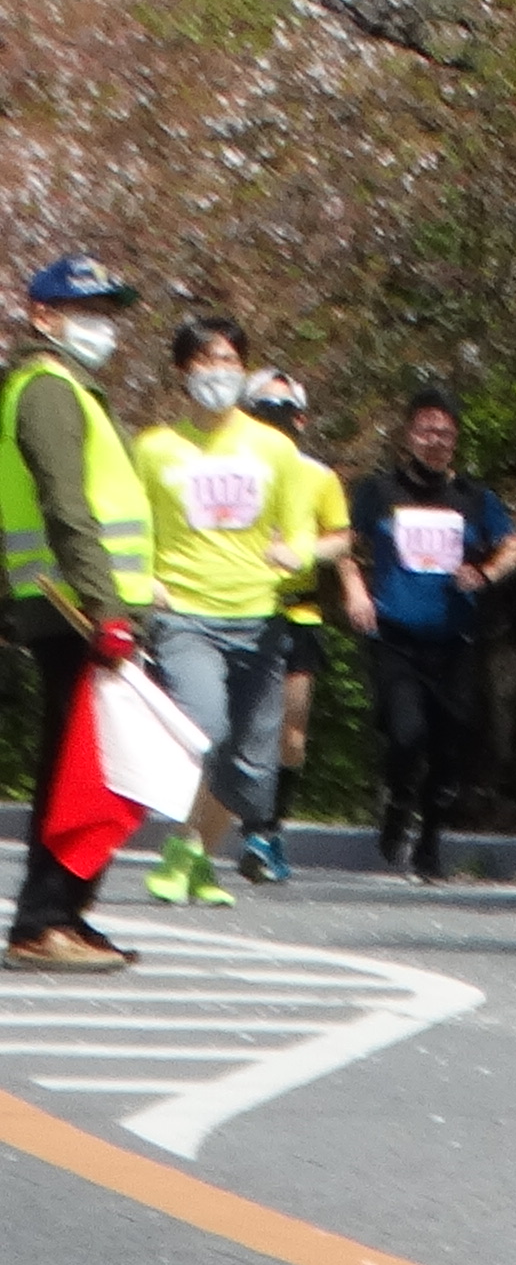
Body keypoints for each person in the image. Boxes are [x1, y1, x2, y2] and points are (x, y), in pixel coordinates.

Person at [4, 257, 159, 971]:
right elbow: (68, 508)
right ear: (42, 315)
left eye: (107, 310)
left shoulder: (71, 389)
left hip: (88, 604)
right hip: (74, 608)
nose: (102, 324)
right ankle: (45, 919)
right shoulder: (49, 390)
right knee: (81, 768)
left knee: (97, 766)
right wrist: (106, 608)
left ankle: (66, 912)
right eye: (84, 309)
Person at [130, 315, 313, 906]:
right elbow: (131, 526)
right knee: (206, 729)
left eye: (231, 359)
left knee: (255, 765)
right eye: (207, 360)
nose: (220, 371)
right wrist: (141, 581)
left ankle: (197, 858)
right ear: (183, 371)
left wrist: (294, 552)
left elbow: (305, 531)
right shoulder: (155, 448)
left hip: (259, 616)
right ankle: (184, 849)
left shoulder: (274, 449)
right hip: (185, 615)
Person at [343, 388, 516, 886]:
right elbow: (344, 547)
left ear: (456, 440)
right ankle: (399, 802)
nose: (435, 440)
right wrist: (355, 590)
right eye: (426, 430)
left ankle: (430, 845)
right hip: (396, 634)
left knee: (449, 747)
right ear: (408, 434)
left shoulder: (474, 498)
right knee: (406, 733)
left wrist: (486, 574)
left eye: (444, 432)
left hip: (455, 640)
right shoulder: (379, 492)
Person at [248, 369, 350, 875]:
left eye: (284, 411)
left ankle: (269, 830)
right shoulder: (232, 468)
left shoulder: (319, 476)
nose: (275, 421)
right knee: (238, 727)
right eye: (263, 410)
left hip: (298, 611)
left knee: (291, 731)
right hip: (238, 606)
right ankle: (241, 825)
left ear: (302, 419)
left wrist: (300, 552)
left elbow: (341, 539)